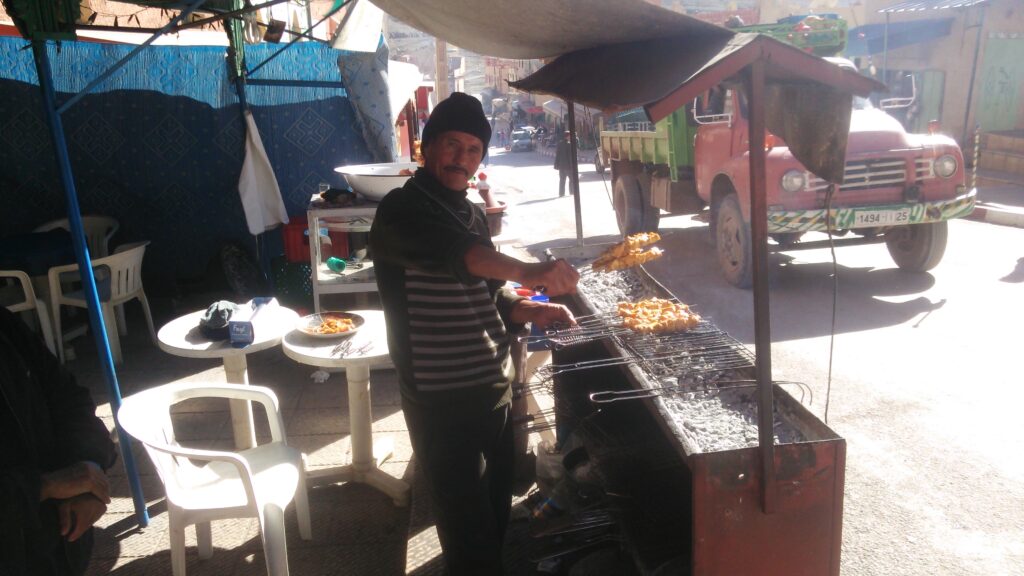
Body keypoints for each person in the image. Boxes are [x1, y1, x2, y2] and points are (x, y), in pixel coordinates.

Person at [370, 92, 579, 575]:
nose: (461, 159)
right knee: (466, 528)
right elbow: (460, 256)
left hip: (495, 388)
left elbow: (488, 291)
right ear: (427, 147)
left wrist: (527, 307)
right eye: (451, 144)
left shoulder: (471, 212)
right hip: (440, 400)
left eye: (473, 150)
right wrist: (532, 270)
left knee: (496, 509)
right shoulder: (401, 211)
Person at [0, 307, 117, 576]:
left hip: (56, 544)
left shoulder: (6, 327)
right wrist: (44, 486)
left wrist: (88, 472)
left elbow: (70, 399)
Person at [554, 130, 575, 197]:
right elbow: (570, 156)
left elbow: (557, 155)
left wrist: (556, 165)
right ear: (567, 136)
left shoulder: (559, 144)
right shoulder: (569, 144)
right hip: (568, 166)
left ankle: (561, 193)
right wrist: (572, 166)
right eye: (570, 136)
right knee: (572, 179)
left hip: (561, 166)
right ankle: (572, 192)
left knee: (562, 180)